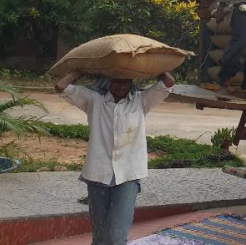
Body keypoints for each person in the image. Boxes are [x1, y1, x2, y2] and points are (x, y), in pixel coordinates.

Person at [54, 71, 175, 245]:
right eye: (117, 81)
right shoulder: (94, 101)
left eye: (126, 81)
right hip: (98, 174)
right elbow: (61, 87)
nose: (121, 86)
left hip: (128, 175)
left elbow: (168, 83)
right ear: (108, 81)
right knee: (101, 237)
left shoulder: (141, 101)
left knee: (117, 236)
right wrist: (80, 70)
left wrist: (153, 67)